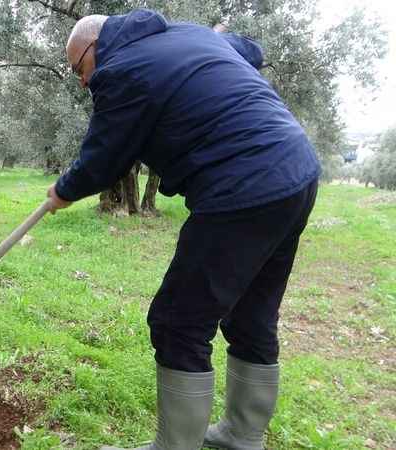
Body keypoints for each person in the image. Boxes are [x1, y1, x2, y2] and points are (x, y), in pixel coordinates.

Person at [47, 9, 320, 450]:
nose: (82, 82)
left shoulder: (122, 69)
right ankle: (242, 434)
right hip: (297, 174)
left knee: (179, 322)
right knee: (252, 313)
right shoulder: (187, 35)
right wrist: (212, 41)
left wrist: (63, 190)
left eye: (78, 68)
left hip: (242, 186)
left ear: (94, 48)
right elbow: (253, 51)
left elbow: (104, 158)